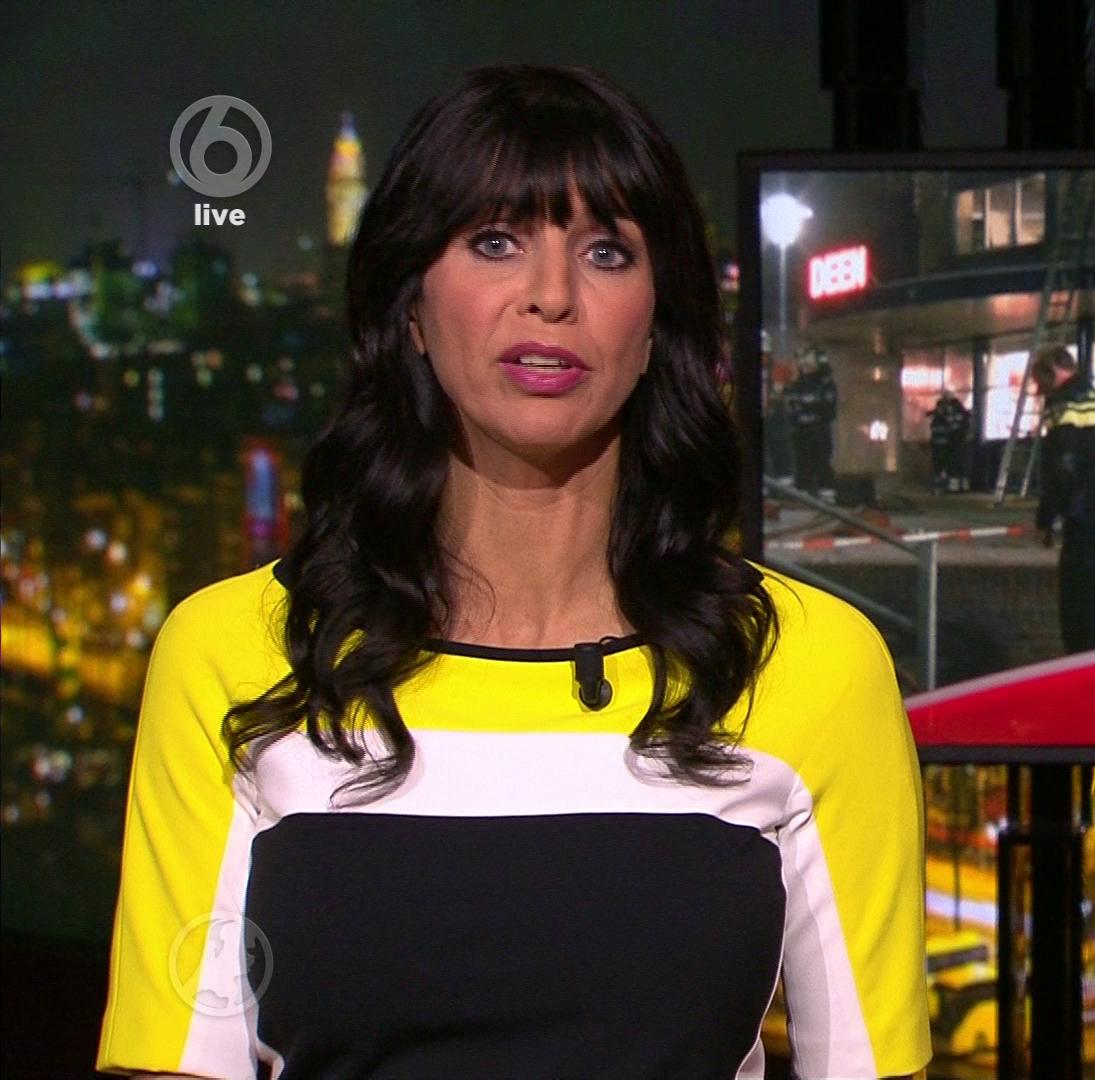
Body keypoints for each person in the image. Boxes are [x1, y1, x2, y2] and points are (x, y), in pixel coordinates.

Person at [97, 64, 930, 1080]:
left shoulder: (809, 664)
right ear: (411, 306)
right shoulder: (238, 654)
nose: (552, 295)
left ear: (657, 321)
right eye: (495, 241)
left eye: (607, 251)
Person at [1030, 345, 1095, 653]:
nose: (1039, 391)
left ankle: (1080, 670)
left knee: (1079, 609)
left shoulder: (1063, 408)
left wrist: (1045, 520)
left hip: (1086, 518)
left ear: (1053, 373)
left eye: (1041, 382)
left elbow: (1058, 472)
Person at [786, 347, 838, 500]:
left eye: (809, 363)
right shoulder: (798, 385)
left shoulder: (826, 384)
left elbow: (827, 409)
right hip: (801, 431)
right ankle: (802, 492)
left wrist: (808, 404)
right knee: (802, 462)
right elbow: (792, 407)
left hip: (819, 431)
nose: (805, 366)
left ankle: (826, 492)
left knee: (821, 460)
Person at [928, 390, 971, 493]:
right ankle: (958, 487)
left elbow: (949, 426)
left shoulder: (946, 416)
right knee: (957, 465)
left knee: (950, 465)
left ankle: (951, 487)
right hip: (953, 443)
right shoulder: (958, 414)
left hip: (949, 444)